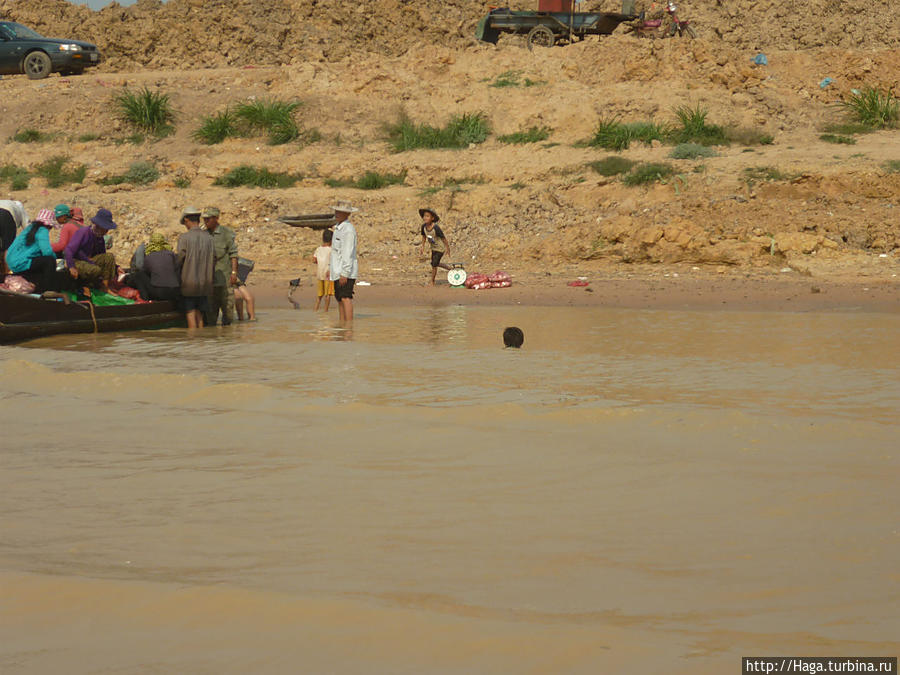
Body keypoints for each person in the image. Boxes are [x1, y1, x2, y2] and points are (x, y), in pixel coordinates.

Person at [4, 209, 61, 292]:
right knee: (50, 261)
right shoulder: (43, 230)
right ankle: (47, 290)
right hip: (21, 263)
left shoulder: (29, 228)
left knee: (42, 260)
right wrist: (56, 259)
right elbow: (47, 252)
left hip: (11, 262)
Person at [176, 206, 214, 329]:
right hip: (205, 282)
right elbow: (215, 258)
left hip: (189, 283)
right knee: (200, 314)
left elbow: (180, 259)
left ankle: (193, 341)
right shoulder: (209, 238)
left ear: (186, 220)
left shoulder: (184, 238)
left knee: (190, 312)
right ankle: (201, 340)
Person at [63, 208, 118, 291]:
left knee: (109, 257)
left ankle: (105, 287)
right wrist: (71, 267)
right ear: (98, 226)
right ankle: (85, 286)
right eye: (105, 228)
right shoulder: (83, 232)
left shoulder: (99, 238)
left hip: (89, 261)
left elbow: (103, 256)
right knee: (95, 270)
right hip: (76, 261)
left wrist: (116, 267)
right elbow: (69, 250)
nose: (106, 231)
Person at [201, 207, 238, 326]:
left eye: (208, 219)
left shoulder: (226, 233)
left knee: (227, 310)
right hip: (209, 280)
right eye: (204, 219)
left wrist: (234, 273)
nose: (205, 221)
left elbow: (233, 254)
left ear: (216, 219)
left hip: (225, 278)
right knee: (210, 313)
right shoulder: (203, 234)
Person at [129, 232, 181, 302]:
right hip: (175, 292)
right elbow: (177, 268)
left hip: (160, 293)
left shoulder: (149, 257)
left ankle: (145, 300)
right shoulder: (171, 254)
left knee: (139, 275)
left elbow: (144, 271)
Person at [330, 200, 358, 323]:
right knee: (339, 298)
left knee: (346, 297)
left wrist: (345, 272)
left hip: (345, 270)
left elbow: (347, 251)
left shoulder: (348, 230)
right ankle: (342, 325)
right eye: (336, 211)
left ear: (347, 214)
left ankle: (348, 327)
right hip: (336, 269)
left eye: (340, 212)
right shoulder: (338, 228)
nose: (337, 213)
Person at [419, 207, 451, 286]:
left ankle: (432, 282)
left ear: (432, 218)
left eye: (427, 216)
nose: (425, 218)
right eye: (424, 216)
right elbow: (424, 237)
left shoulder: (436, 228)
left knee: (434, 265)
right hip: (433, 248)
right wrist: (422, 246)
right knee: (434, 263)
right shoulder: (423, 227)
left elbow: (443, 238)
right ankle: (450, 268)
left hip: (440, 248)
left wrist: (448, 249)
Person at [0, 199, 27, 276]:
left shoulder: (4, 202)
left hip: (5, 213)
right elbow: (27, 227)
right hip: (6, 216)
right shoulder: (19, 207)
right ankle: (8, 274)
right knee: (8, 247)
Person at [312, 228, 333, 311]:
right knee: (327, 294)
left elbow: (314, 260)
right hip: (328, 274)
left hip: (319, 274)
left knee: (319, 295)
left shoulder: (318, 249)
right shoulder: (331, 250)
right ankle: (325, 310)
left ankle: (315, 309)